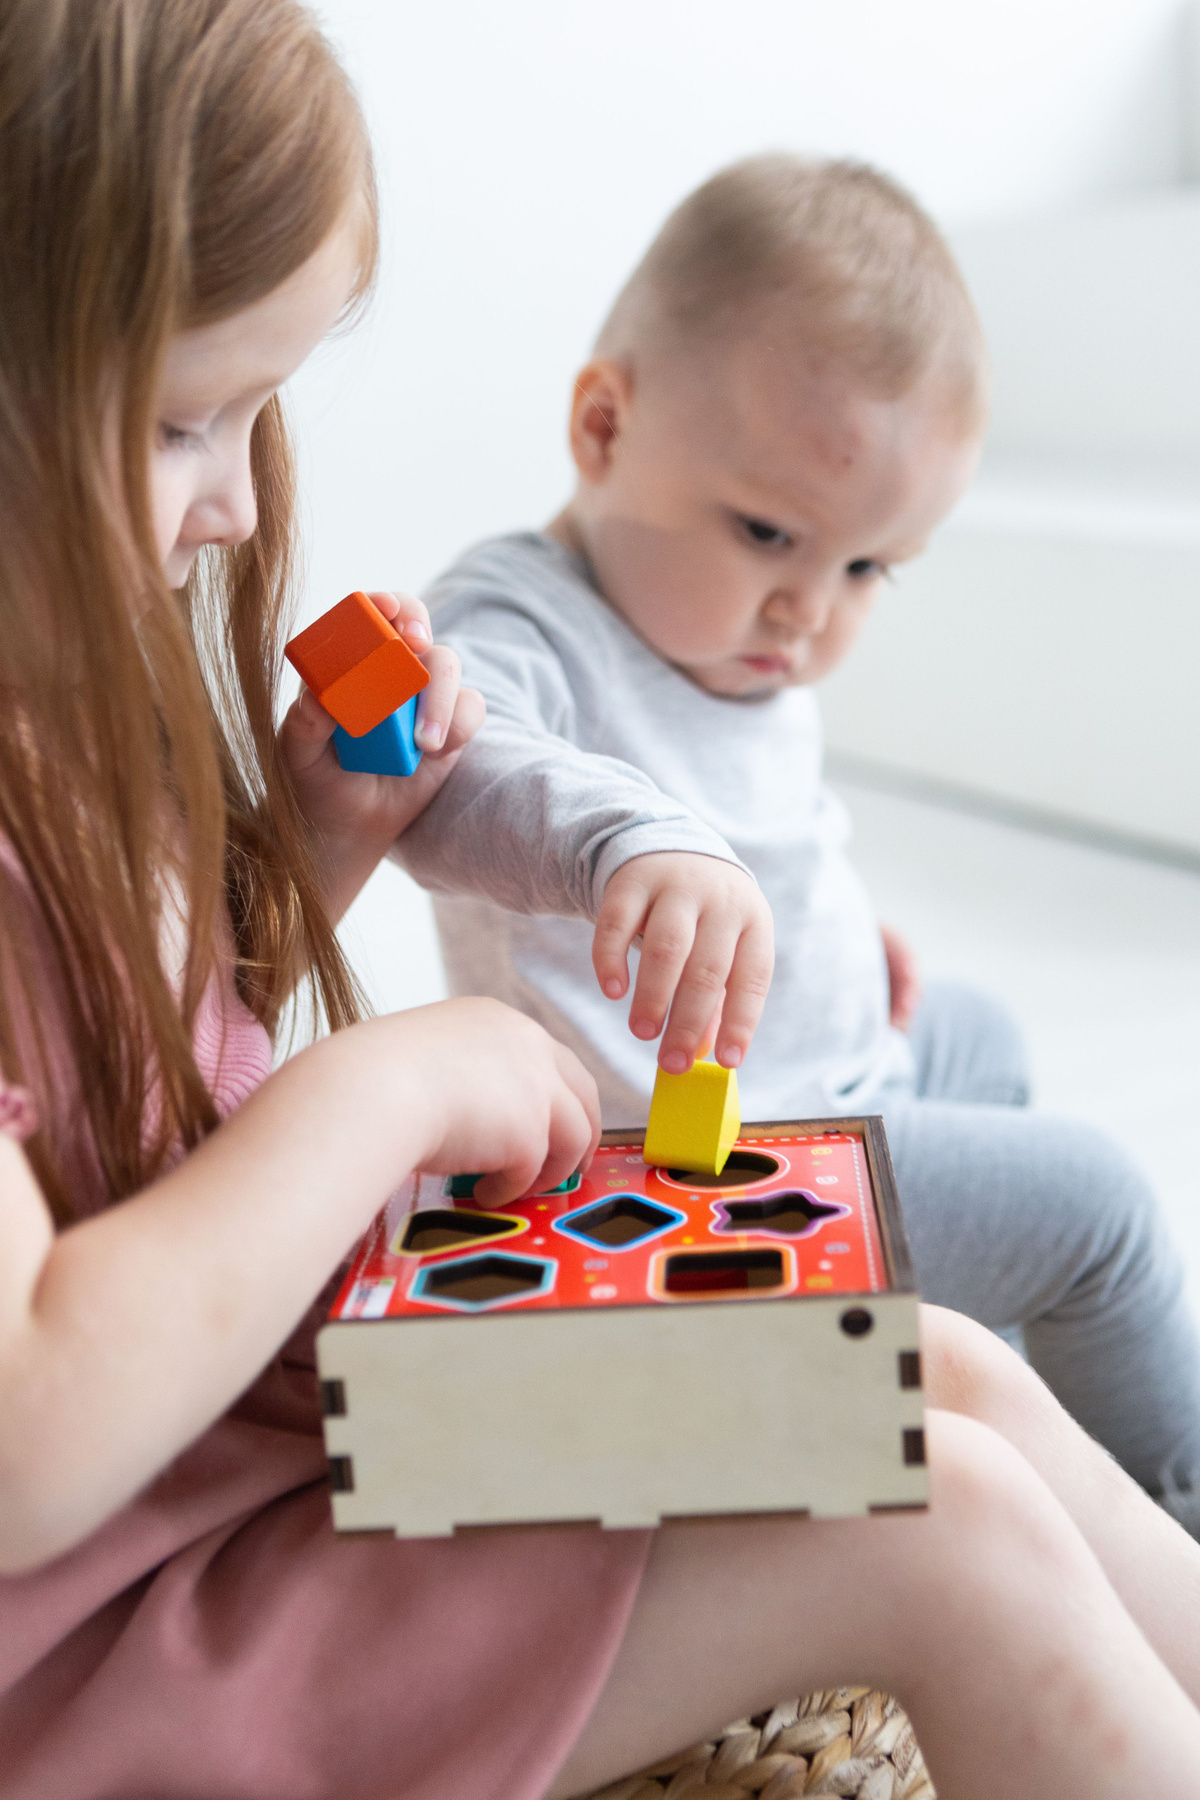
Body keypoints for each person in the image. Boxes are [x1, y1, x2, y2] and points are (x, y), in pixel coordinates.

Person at [3, 7, 1200, 1799]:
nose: (246, 511)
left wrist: (310, 854)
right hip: (145, 1620)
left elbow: (137, 1117)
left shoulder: (56, 725)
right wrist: (390, 1079)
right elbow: (30, 1432)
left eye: (260, 416)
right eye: (187, 423)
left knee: (937, 1369)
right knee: (939, 1506)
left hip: (280, 1436)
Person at [391, 155, 1200, 1503]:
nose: (810, 612)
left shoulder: (729, 631)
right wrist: (627, 839)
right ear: (603, 426)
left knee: (982, 1031)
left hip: (803, 1077)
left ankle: (966, 1365)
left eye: (868, 567)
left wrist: (830, 937)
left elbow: (764, 833)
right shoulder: (513, 621)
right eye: (769, 532)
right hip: (681, 1162)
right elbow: (456, 782)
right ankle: (1170, 1515)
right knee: (1098, 1207)